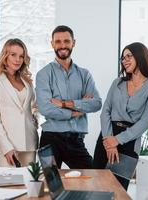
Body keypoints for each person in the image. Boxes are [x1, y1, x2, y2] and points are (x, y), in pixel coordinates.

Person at [93, 42, 148, 190]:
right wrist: (109, 140)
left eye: (129, 56)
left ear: (140, 56)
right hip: (106, 137)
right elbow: (105, 112)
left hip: (129, 143)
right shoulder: (117, 83)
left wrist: (117, 140)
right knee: (96, 185)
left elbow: (145, 121)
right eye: (123, 58)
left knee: (117, 190)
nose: (124, 60)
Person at [36, 25, 102, 169]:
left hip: (76, 140)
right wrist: (76, 111)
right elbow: (45, 108)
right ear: (52, 44)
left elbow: (96, 103)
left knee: (91, 178)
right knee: (48, 186)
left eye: (66, 41)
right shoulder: (43, 74)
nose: (62, 45)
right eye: (58, 41)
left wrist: (64, 104)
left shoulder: (85, 75)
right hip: (50, 139)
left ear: (73, 43)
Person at [0, 38, 38, 167]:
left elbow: (34, 106)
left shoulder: (27, 81)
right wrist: (6, 146)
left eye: (21, 56)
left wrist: (35, 118)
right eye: (13, 55)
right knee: (9, 185)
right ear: (5, 56)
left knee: (30, 183)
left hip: (29, 142)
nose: (18, 59)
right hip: (9, 145)